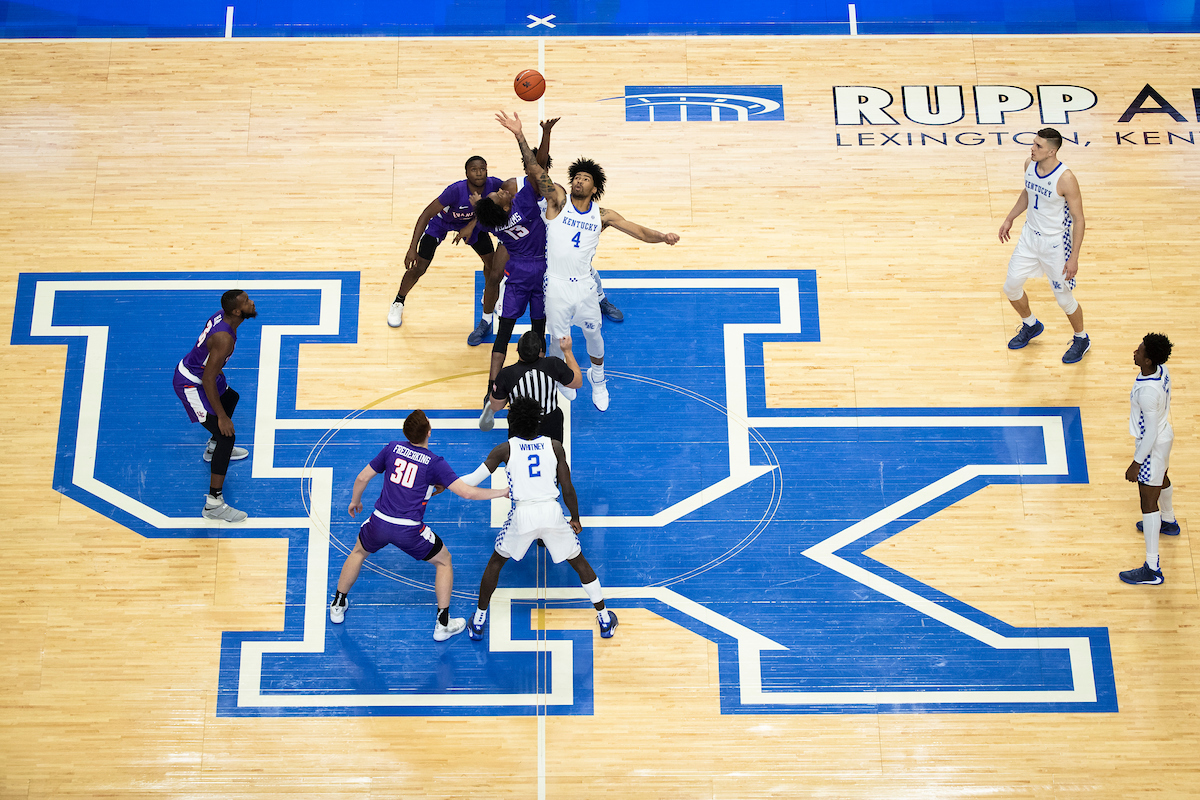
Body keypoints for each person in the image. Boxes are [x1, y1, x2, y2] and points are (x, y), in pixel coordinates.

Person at [494, 111, 679, 411]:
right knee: (557, 339)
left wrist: (662, 237)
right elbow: (534, 169)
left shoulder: (602, 215)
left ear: (594, 188)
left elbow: (639, 231)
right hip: (555, 284)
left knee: (594, 335)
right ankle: (561, 380)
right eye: (577, 177)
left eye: (585, 178)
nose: (579, 180)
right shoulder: (557, 201)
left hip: (584, 285)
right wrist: (519, 135)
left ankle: (599, 379)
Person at [329, 409, 509, 639]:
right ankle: (443, 624)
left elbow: (363, 477)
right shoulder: (434, 463)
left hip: (379, 522)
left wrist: (355, 501)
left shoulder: (392, 448)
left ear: (406, 433)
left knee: (358, 551)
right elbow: (467, 493)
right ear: (429, 432)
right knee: (444, 561)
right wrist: (501, 492)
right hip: (409, 530)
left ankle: (337, 604)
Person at [459, 398, 616, 640]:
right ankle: (604, 618)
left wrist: (444, 483)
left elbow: (472, 480)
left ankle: (479, 620)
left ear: (512, 421)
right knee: (579, 563)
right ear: (538, 421)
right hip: (552, 513)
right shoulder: (554, 446)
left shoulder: (504, 449)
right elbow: (567, 487)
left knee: (496, 563)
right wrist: (575, 517)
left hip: (523, 515)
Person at [472, 115, 554, 428]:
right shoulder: (525, 204)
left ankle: (491, 391)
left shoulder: (491, 223)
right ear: (506, 206)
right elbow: (537, 168)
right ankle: (540, 386)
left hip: (516, 275)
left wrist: (479, 203)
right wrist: (526, 135)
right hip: (542, 272)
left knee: (504, 333)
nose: (502, 191)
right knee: (538, 331)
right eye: (500, 195)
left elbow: (484, 213)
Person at [998, 127, 1090, 364]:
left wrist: (1074, 257)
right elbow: (1028, 193)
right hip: (1029, 238)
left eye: (1038, 146)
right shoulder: (1029, 164)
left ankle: (1081, 338)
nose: (1032, 148)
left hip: (1055, 245)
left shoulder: (1066, 178)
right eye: (1033, 143)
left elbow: (1079, 219)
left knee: (1064, 299)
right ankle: (1031, 324)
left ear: (1052, 151)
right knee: (1011, 287)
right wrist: (1010, 218)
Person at [391, 156, 505, 346]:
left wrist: (470, 226)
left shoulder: (494, 185)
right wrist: (412, 248)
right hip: (442, 224)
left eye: (482, 169)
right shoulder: (455, 191)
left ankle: (489, 293)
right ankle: (398, 301)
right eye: (474, 169)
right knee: (419, 267)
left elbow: (508, 196)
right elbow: (426, 214)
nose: (479, 173)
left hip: (472, 226)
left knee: (493, 265)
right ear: (466, 173)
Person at [172, 290, 257, 523]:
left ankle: (213, 448)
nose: (252, 302)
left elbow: (209, 361)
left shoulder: (223, 316)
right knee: (226, 436)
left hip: (203, 372)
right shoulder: (224, 338)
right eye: (247, 302)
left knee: (231, 397)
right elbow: (208, 379)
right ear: (237, 311)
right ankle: (214, 504)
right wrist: (222, 417)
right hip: (191, 384)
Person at [1120, 333, 1177, 586]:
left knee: (1148, 501)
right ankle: (1169, 521)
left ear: (1148, 360)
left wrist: (1137, 462)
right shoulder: (1161, 370)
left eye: (1140, 351)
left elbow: (1150, 432)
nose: (1135, 352)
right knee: (1162, 478)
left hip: (1152, 445)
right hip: (1165, 435)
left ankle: (1152, 569)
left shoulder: (1147, 392)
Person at [485, 331, 583, 440]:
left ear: (517, 349)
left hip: (520, 423)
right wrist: (568, 351)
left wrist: (508, 395)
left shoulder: (506, 374)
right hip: (550, 421)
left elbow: (496, 406)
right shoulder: (554, 364)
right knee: (553, 447)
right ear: (540, 350)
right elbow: (577, 382)